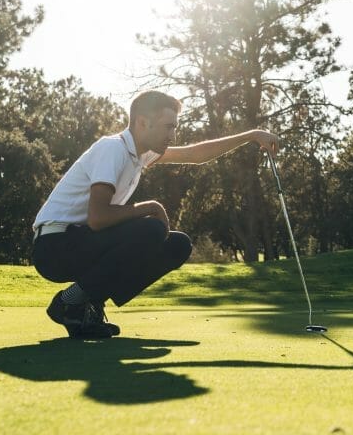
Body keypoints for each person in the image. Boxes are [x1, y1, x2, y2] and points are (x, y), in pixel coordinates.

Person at [31, 90, 278, 338]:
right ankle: (70, 301)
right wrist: (150, 207)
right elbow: (98, 219)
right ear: (142, 123)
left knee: (177, 245)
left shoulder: (140, 154)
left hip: (80, 242)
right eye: (168, 127)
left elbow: (195, 154)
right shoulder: (113, 148)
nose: (173, 135)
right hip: (54, 248)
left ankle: (87, 304)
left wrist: (252, 136)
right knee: (152, 228)